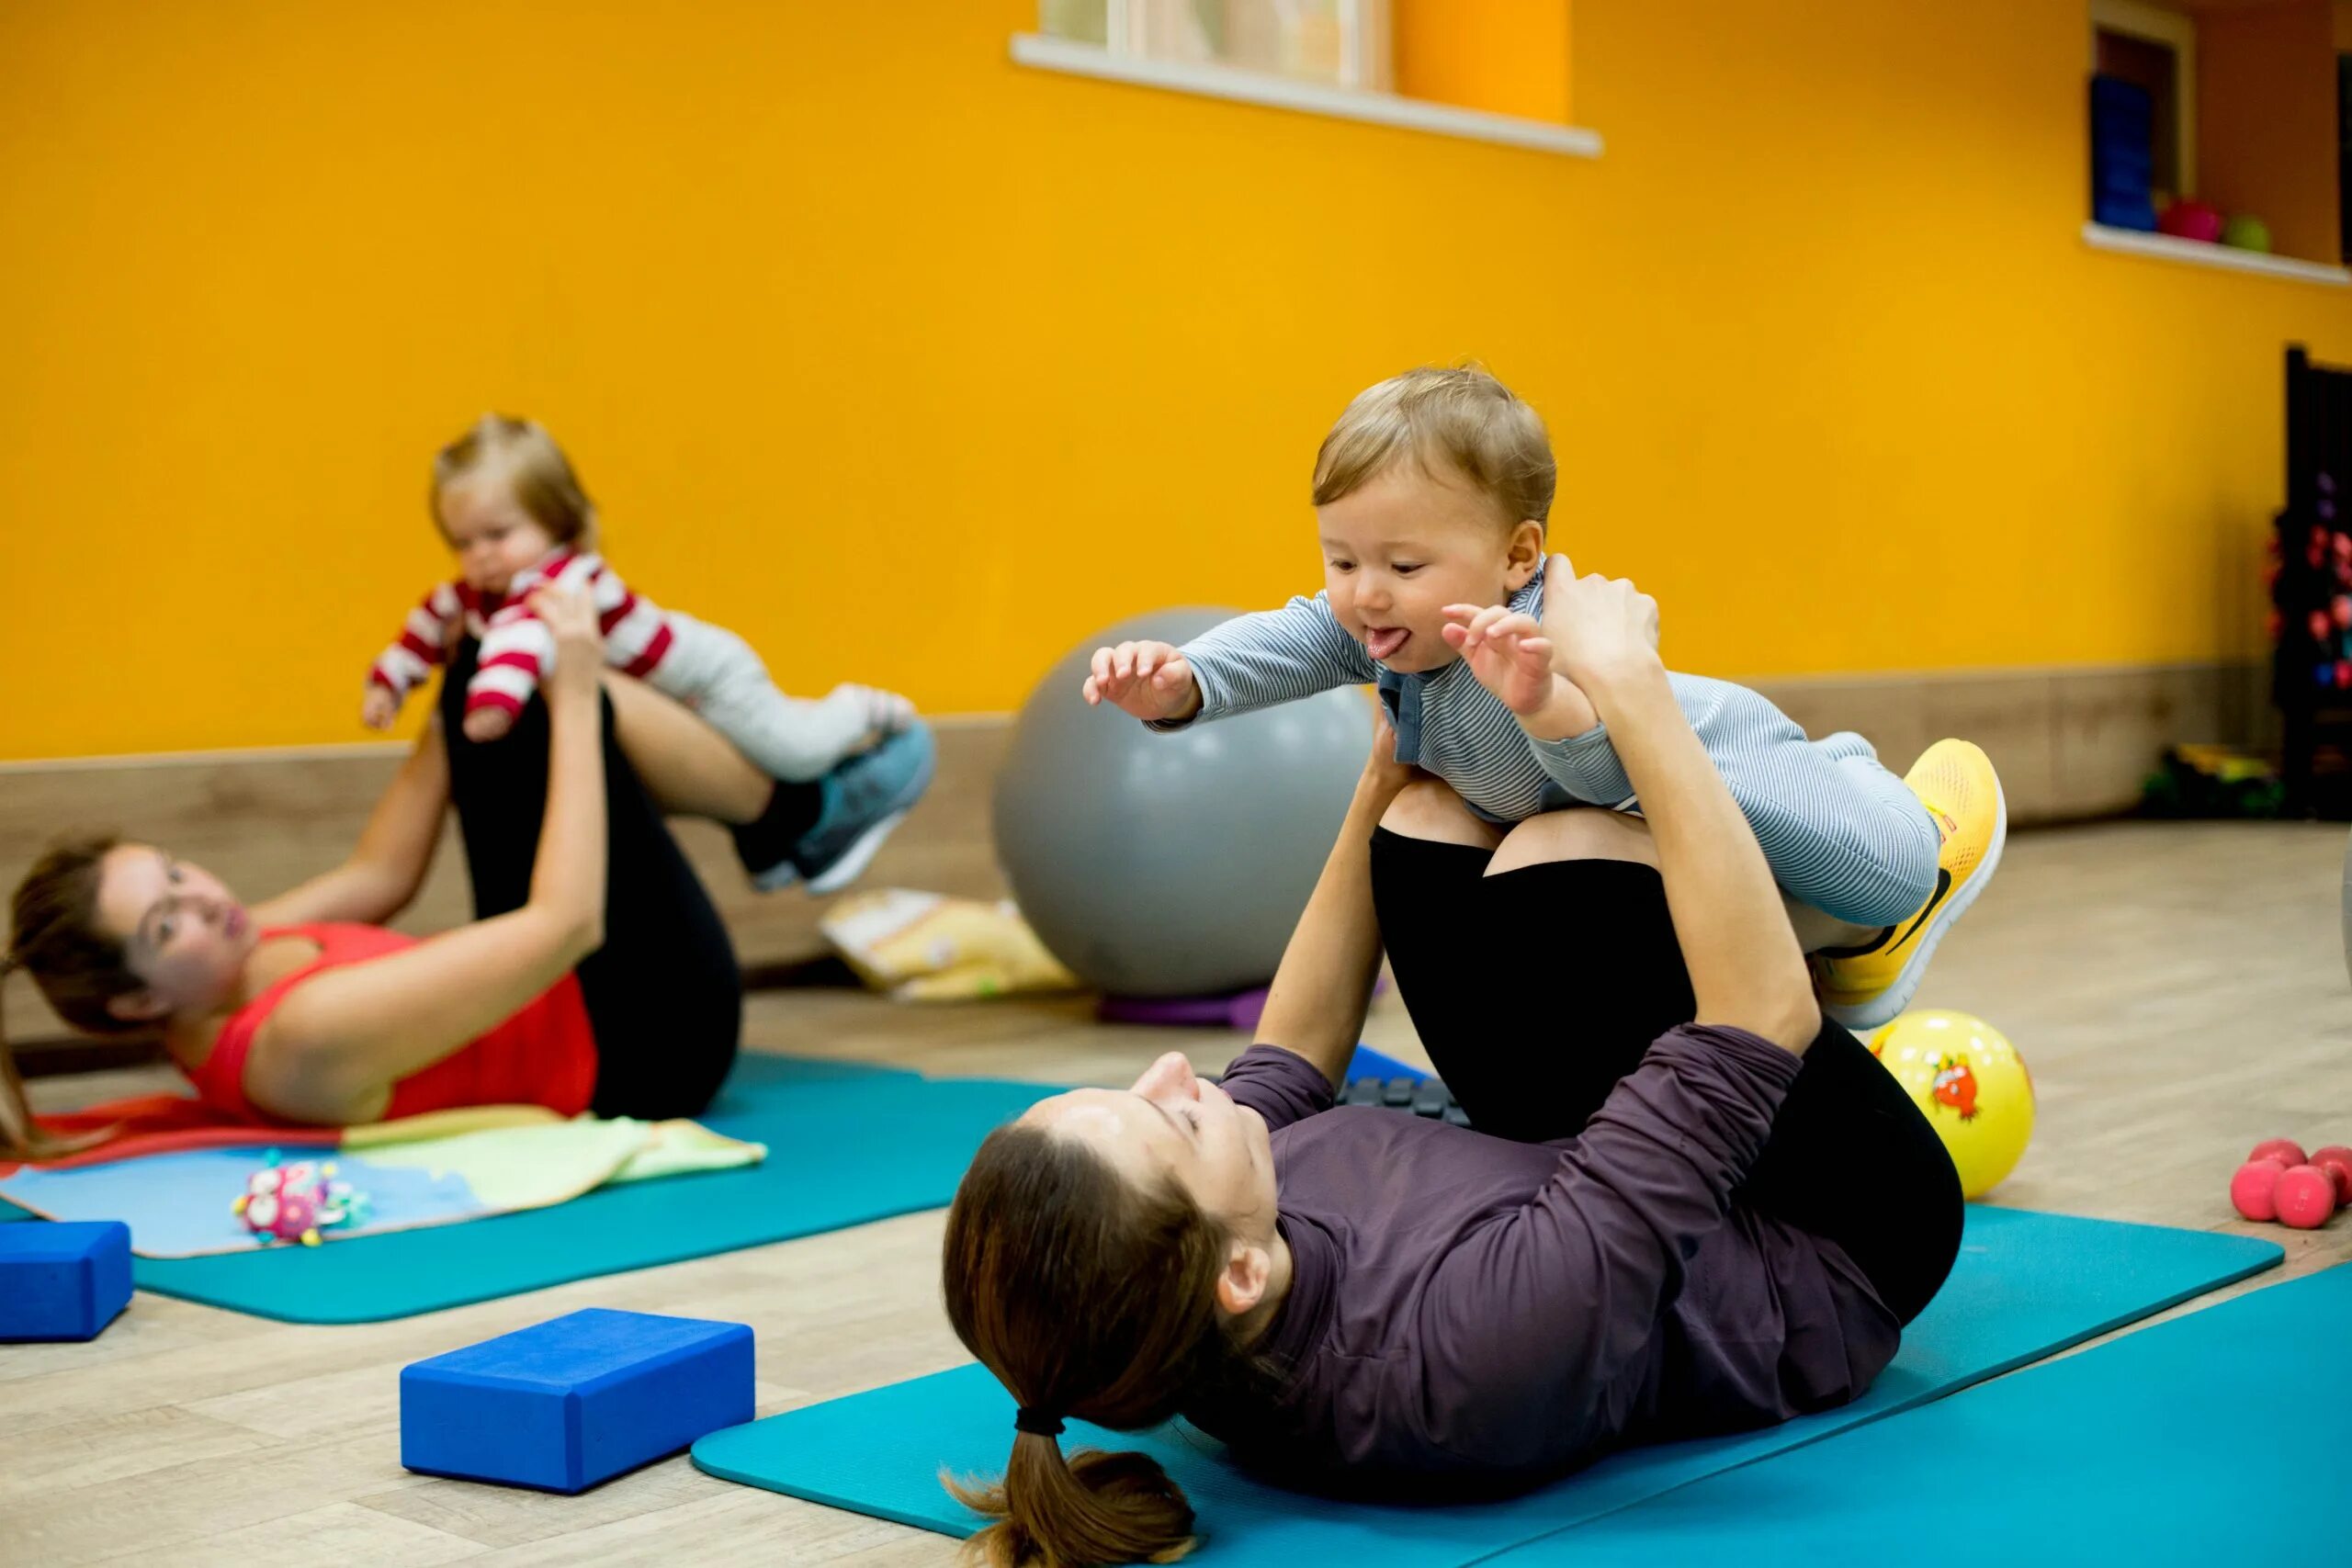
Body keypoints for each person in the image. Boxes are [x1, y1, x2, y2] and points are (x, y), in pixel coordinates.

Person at [944, 559, 1966, 1567]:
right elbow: (1759, 1017)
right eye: (1171, 1119)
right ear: (1241, 1274)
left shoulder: (1196, 1286)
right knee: (1570, 867)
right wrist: (1629, 689)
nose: (1174, 1072)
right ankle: (1864, 913)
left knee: (1425, 823)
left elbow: (1294, 1049)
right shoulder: (1476, 1348)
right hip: (1827, 1235)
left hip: (1558, 1164)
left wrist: (1384, 770)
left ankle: (1540, 825)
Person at [1080, 366, 2001, 1029]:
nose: (1364, 591)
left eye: (1402, 564)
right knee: (1722, 910)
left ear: (1516, 555)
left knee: (1876, 871)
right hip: (1637, 848)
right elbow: (1283, 638)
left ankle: (1892, 813)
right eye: (1341, 558)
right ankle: (1822, 945)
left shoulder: (1539, 632)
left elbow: (1606, 767)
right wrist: (1183, 684)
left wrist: (1543, 705)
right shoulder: (1384, 622)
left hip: (1732, 770)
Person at [2, 587, 922, 1160]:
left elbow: (379, 874)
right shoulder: (302, 1038)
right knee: (572, 696)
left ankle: (783, 825)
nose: (203, 897)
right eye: (168, 923)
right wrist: (568, 693)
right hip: (646, 1036)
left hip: (559, 987)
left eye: (175, 873)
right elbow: (567, 925)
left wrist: (465, 658)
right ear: (134, 1005)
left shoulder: (221, 968)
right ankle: (796, 819)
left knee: (496, 670)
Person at [366, 412, 930, 892]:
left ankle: (861, 710)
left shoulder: (567, 577)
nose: (480, 556)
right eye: (463, 543)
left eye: (498, 535)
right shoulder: (480, 595)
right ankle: (772, 841)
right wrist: (389, 681)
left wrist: (495, 699)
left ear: (553, 518)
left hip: (710, 675)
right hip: (664, 697)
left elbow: (523, 638)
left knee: (795, 750)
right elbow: (427, 622)